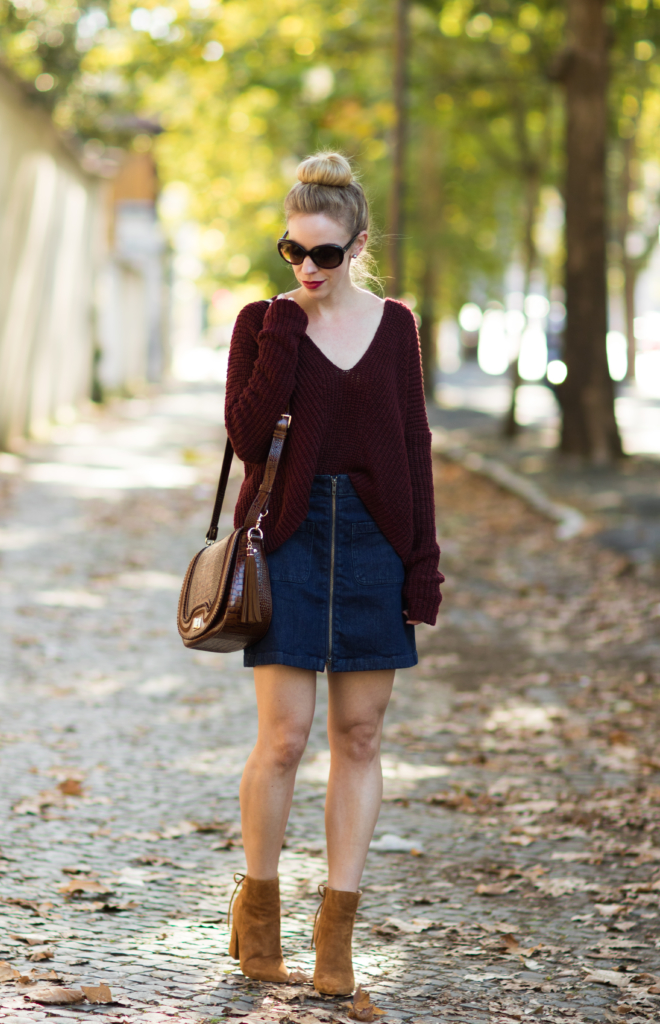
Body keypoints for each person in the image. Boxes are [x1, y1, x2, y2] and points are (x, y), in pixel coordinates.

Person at [224, 152, 443, 996]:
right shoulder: (263, 322)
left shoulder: (396, 328)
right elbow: (246, 440)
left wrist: (421, 566)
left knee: (360, 737)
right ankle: (260, 910)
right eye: (293, 252)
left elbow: (413, 448)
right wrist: (286, 328)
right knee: (282, 739)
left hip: (374, 543)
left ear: (357, 245)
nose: (307, 269)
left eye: (323, 254)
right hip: (287, 538)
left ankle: (336, 936)